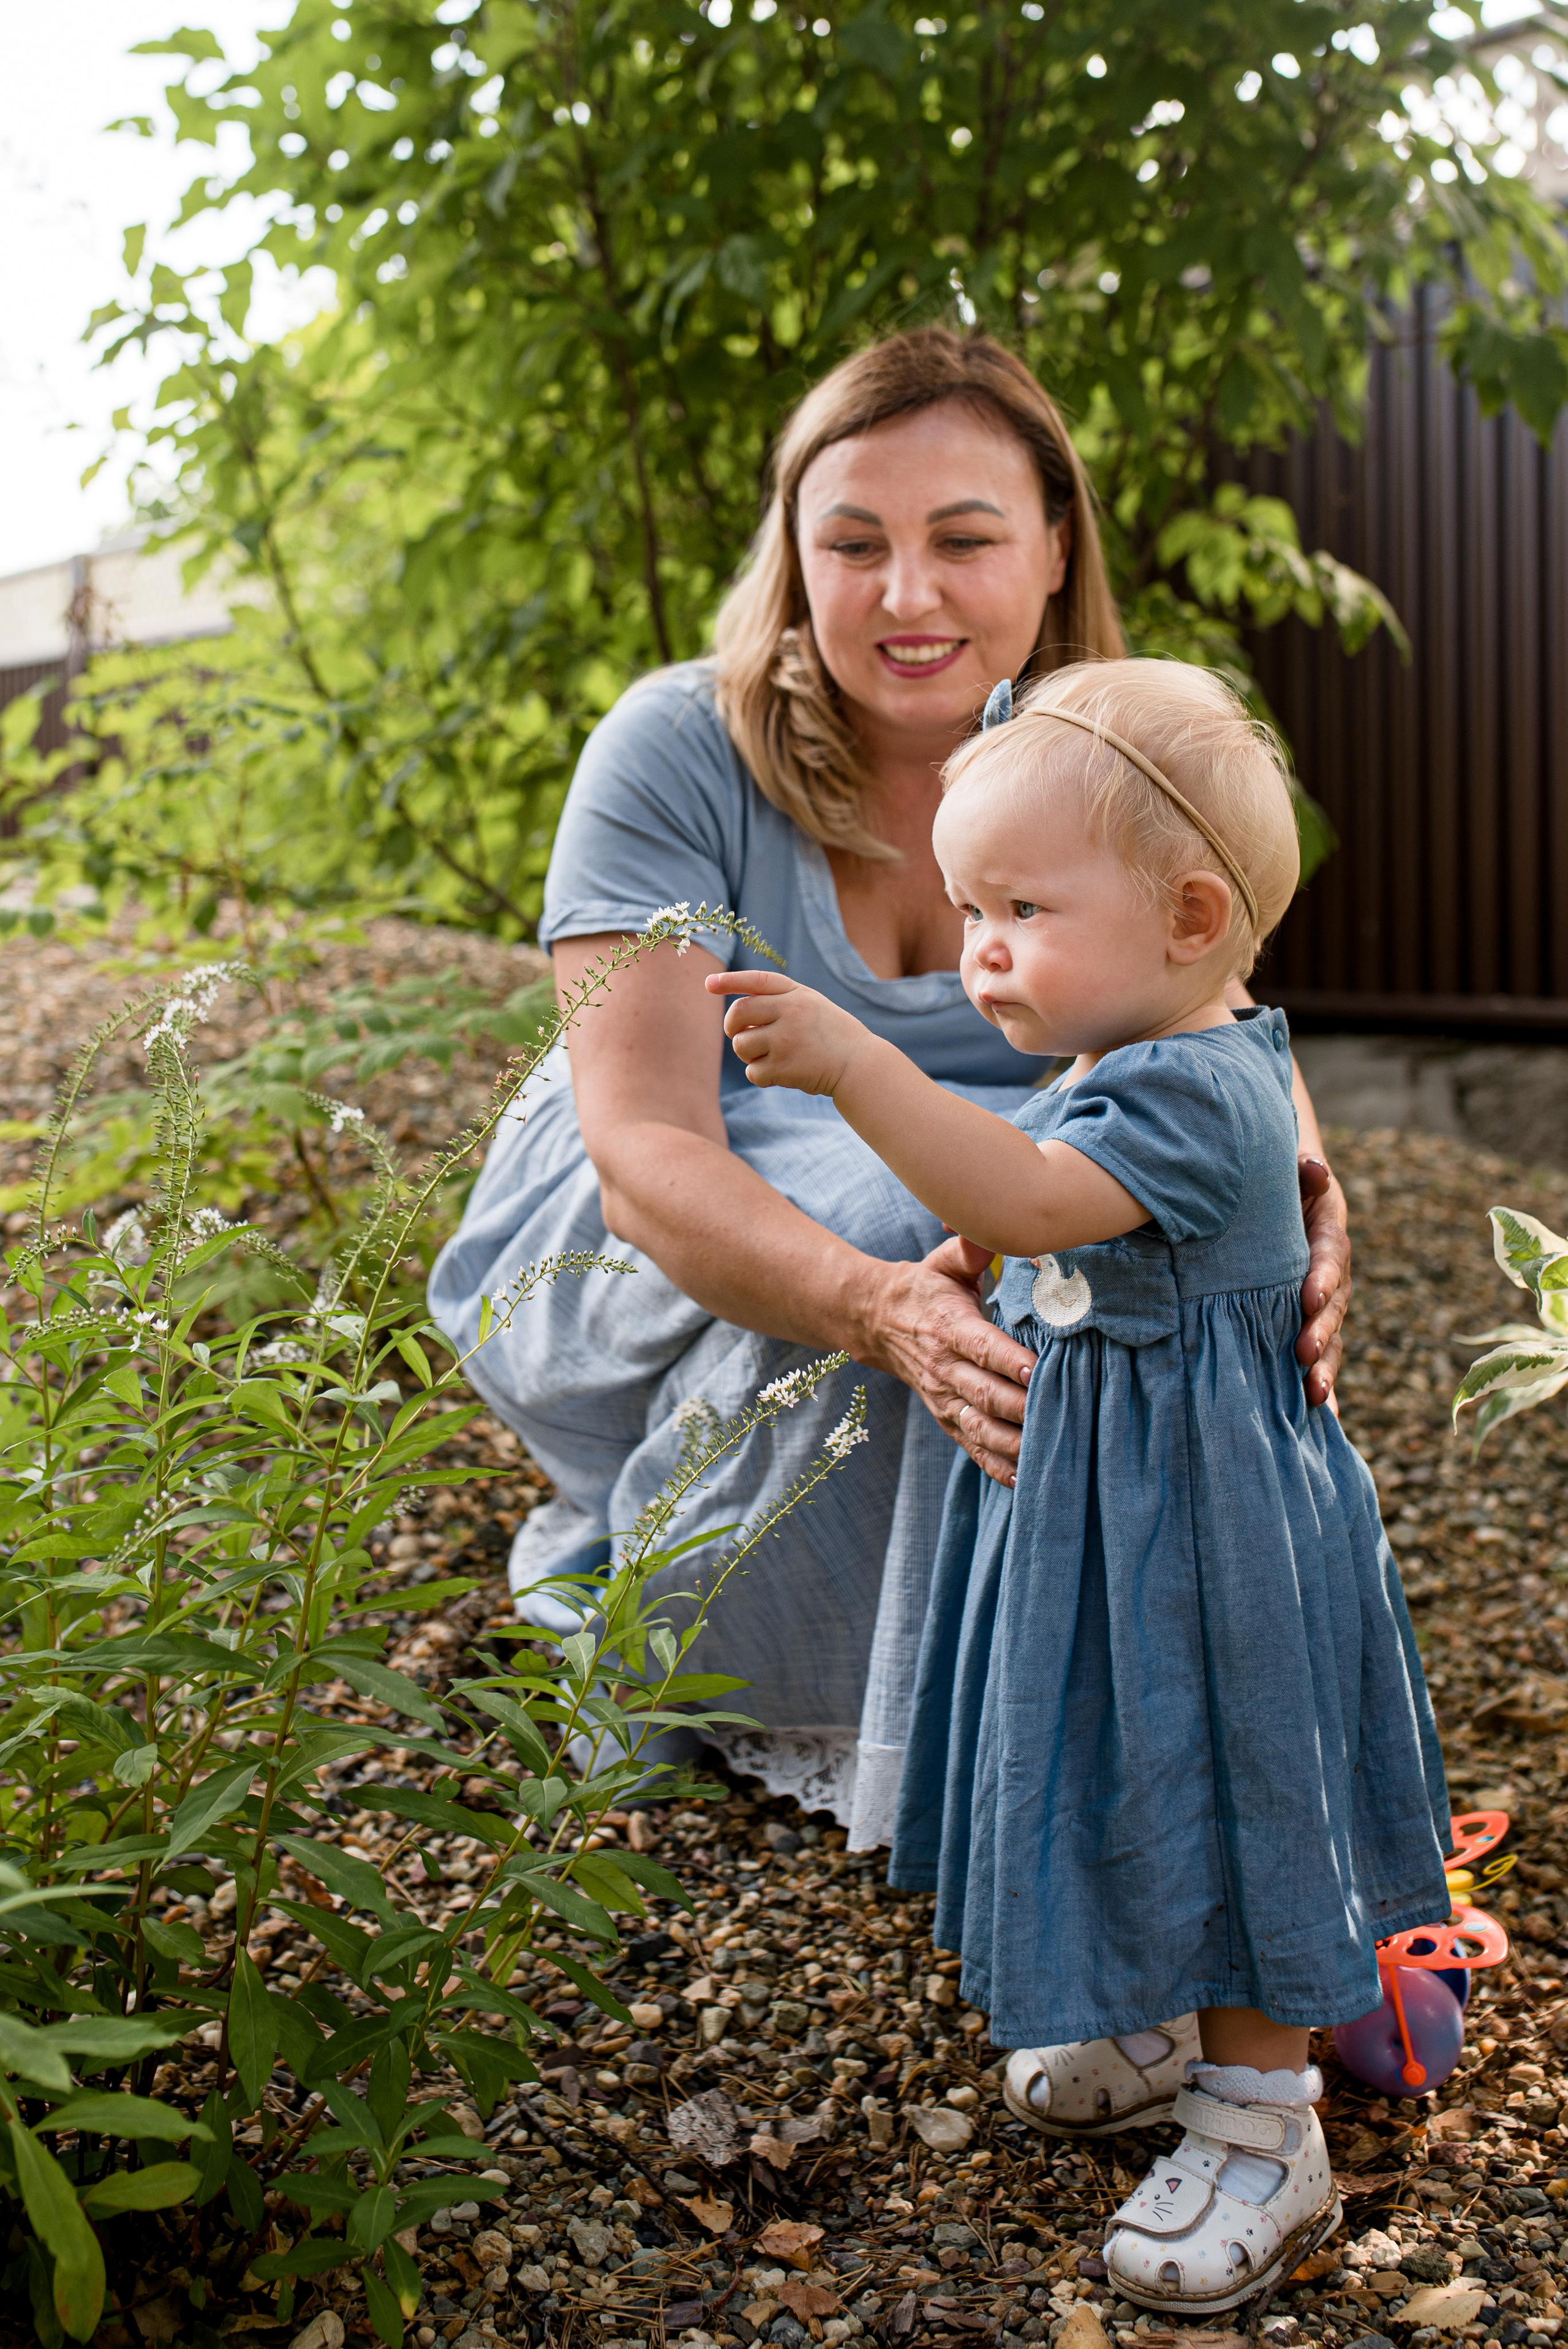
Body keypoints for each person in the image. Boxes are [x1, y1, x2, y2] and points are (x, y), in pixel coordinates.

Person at [428, 327, 1353, 1847]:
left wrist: (1300, 1207)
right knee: (930, 1223)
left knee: (1099, 1249)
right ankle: (695, 1632)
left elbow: (1225, 1030)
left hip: (993, 1188)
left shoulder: (1123, 754)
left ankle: (1068, 1705)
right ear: (793, 558)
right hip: (639, 1207)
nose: (905, 594)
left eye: (963, 540)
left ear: (1055, 549)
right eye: (851, 543)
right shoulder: (675, 747)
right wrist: (878, 1307)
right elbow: (644, 1139)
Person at [710, 657, 1451, 2314]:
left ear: (1192, 914)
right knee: (1130, 1748)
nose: (979, 947)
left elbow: (1047, 1194)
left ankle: (1266, 2117)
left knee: (1231, 1766)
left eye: (1020, 907)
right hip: (1138, 1506)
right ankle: (1143, 2001)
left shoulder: (1192, 1088)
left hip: (1210, 1533)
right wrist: (972, 1242)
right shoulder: (1164, 1042)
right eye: (968, 904)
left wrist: (855, 1069)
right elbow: (1048, 1188)